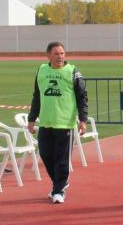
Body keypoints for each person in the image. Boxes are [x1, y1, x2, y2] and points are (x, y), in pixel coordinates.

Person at [27, 41, 88, 204]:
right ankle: (60, 183)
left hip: (64, 123)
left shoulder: (73, 72)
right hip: (46, 123)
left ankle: (58, 190)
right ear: (48, 55)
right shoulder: (41, 70)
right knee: (46, 155)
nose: (60, 56)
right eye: (56, 53)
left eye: (62, 53)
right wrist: (31, 118)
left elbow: (82, 97)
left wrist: (83, 120)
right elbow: (37, 96)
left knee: (61, 159)